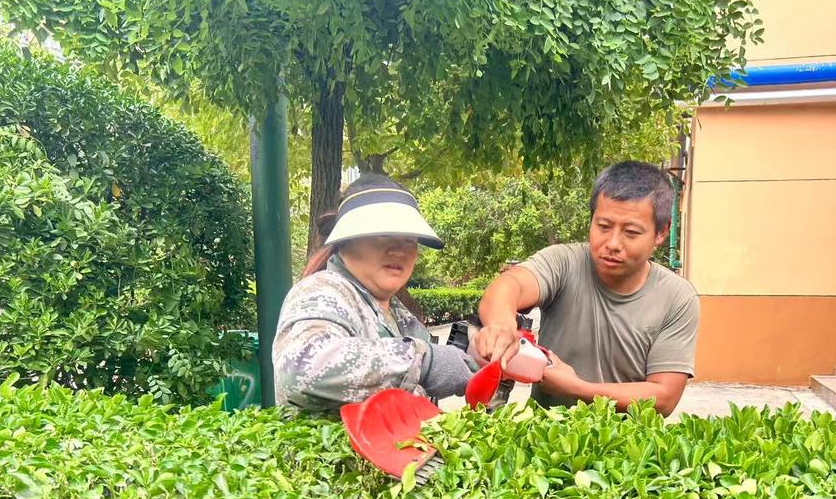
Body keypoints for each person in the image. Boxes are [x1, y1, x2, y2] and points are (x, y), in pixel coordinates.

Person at [474, 161, 699, 416]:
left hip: (629, 440)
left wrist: (577, 388)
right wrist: (501, 327)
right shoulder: (563, 262)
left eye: (631, 232)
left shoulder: (677, 298)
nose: (612, 243)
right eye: (603, 226)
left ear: (661, 232)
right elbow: (509, 285)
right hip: (545, 437)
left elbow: (664, 397)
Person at [273, 174, 475, 413]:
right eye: (384, 234)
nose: (399, 250)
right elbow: (300, 369)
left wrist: (475, 356)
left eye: (409, 240)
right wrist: (422, 361)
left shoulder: (397, 313)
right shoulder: (321, 291)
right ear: (345, 242)